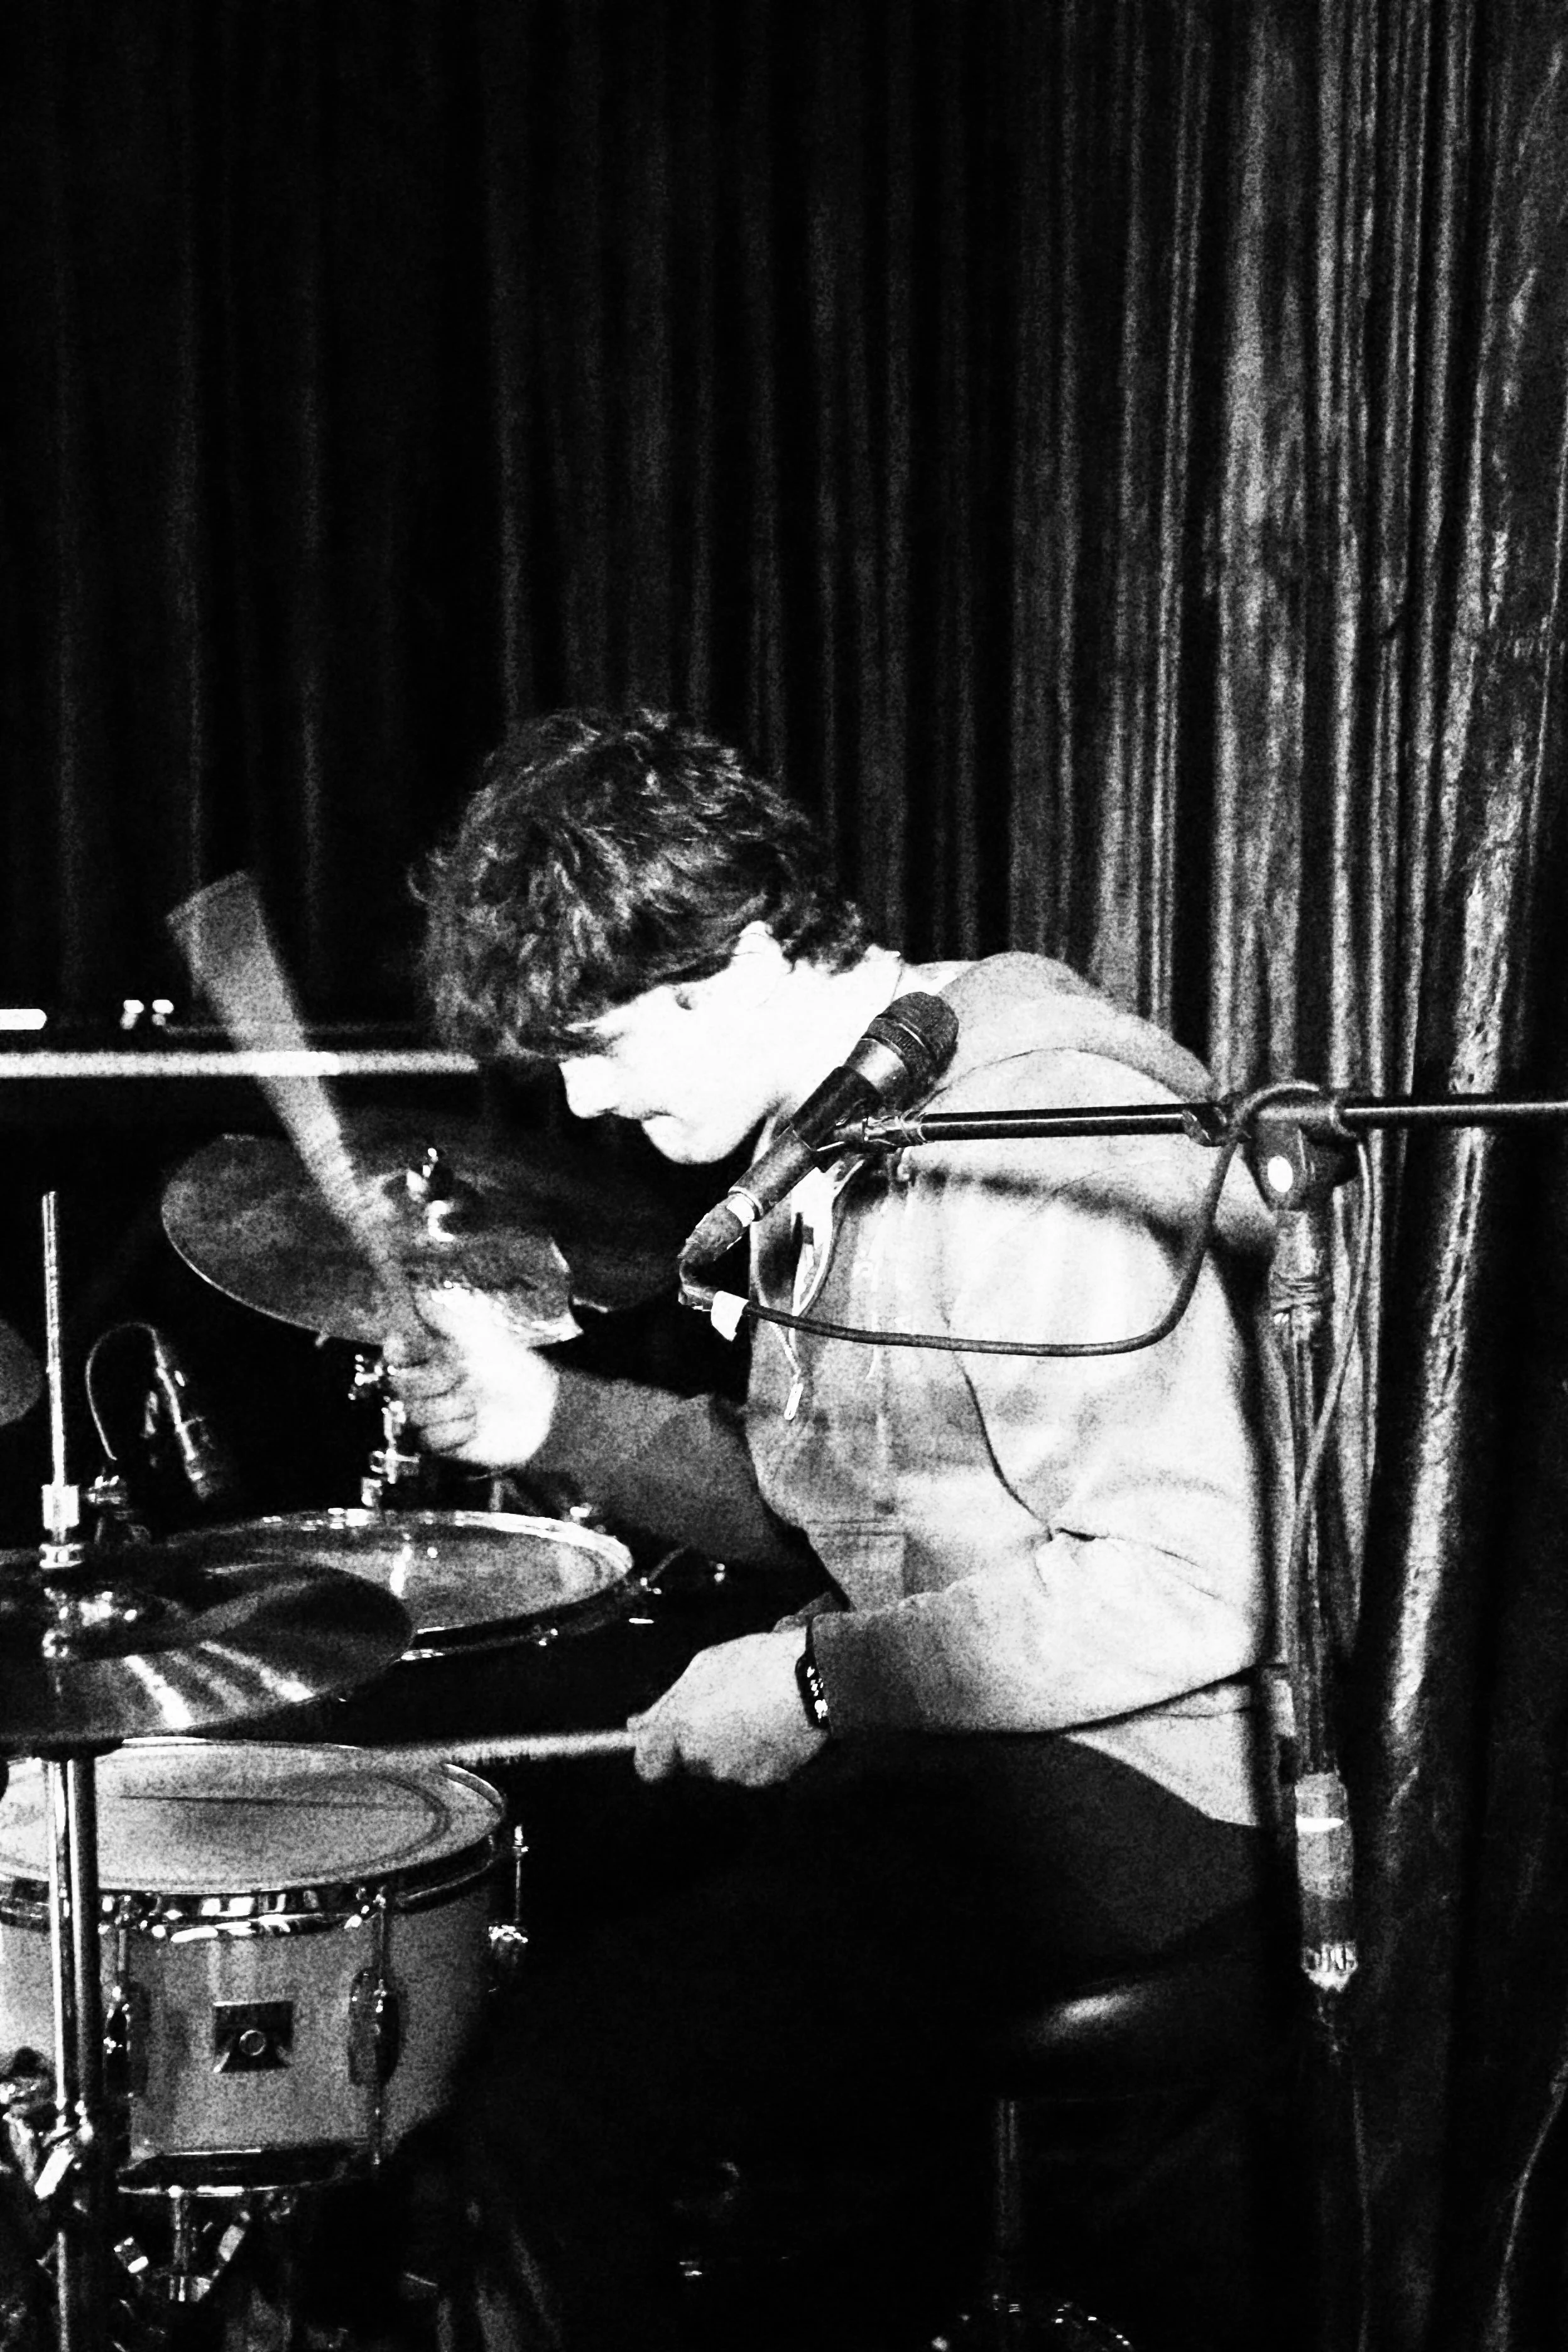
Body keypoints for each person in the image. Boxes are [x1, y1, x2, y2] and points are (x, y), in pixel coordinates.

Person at [383, 707, 1300, 2352]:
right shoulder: (837, 1132)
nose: (582, 1101)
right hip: (978, 1723)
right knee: (518, 1854)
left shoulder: (1037, 1139)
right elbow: (850, 1498)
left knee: (563, 2085)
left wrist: (817, 1684)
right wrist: (552, 1421)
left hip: (1161, 1776)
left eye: (601, 1045)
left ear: (736, 958)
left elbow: (1196, 1591)